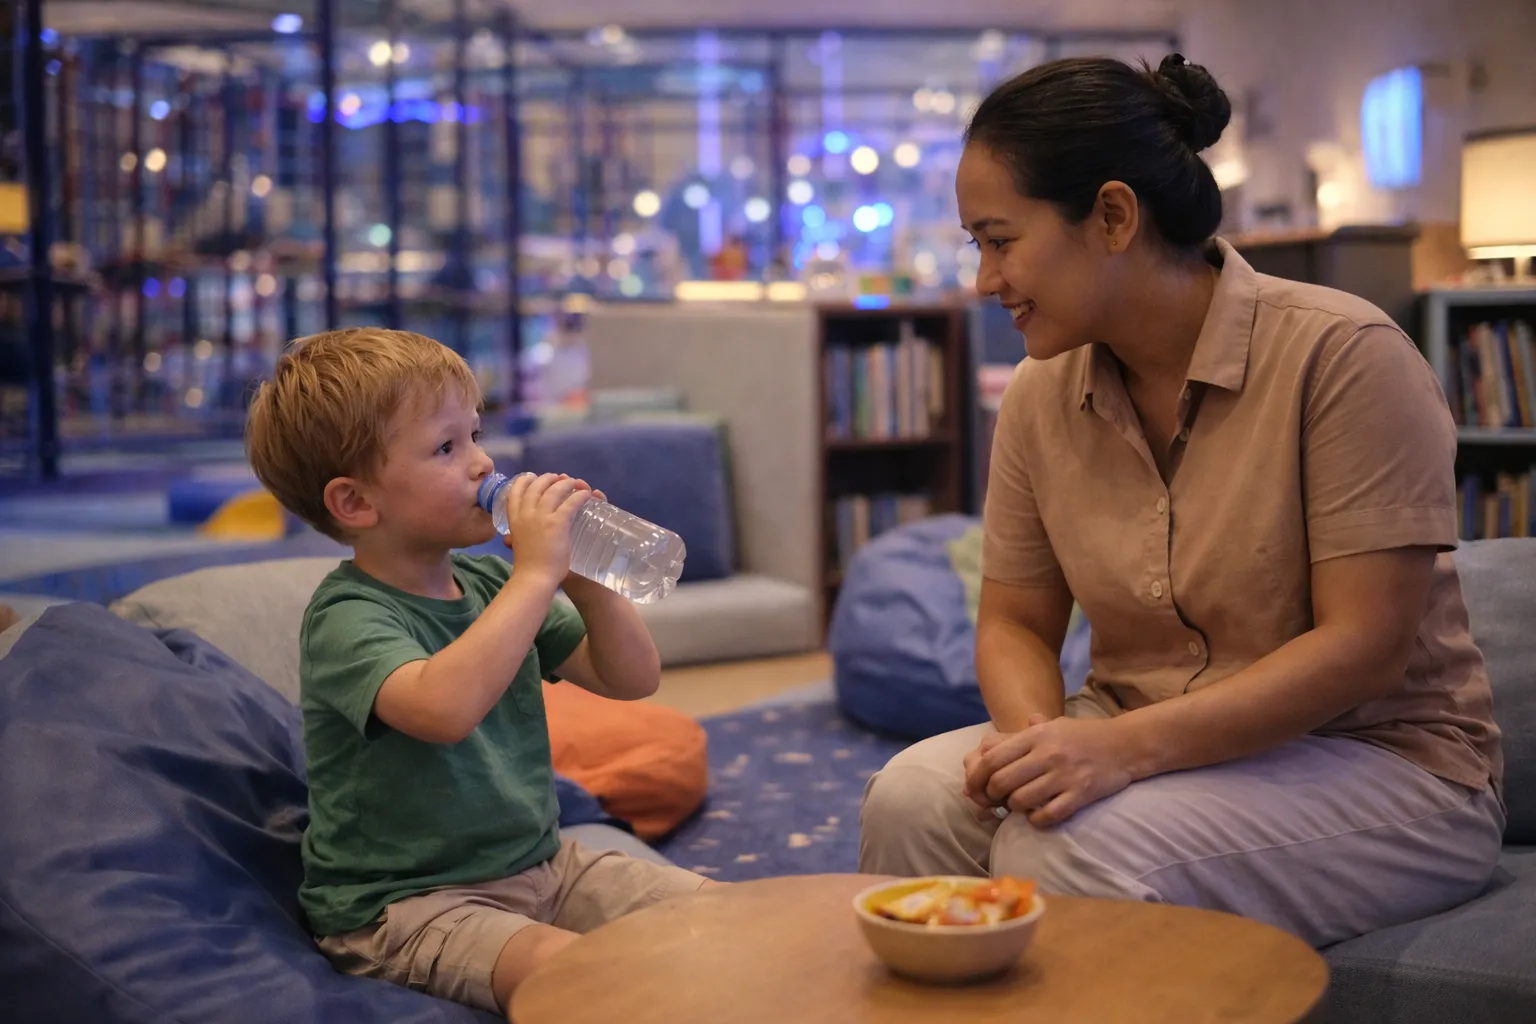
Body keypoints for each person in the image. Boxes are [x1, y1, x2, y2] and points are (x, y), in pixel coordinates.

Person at [858, 54, 1504, 947]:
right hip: (1133, 728)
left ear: (1113, 216)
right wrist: (1046, 749)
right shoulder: (1042, 394)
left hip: (1380, 763)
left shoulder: (1343, 356)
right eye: (979, 247)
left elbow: (1364, 648)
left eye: (1001, 240)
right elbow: (1011, 623)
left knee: (1067, 852)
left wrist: (1115, 754)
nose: (984, 280)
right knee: (909, 800)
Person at [245, 328, 708, 1019]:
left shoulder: (493, 583)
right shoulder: (347, 617)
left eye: (475, 435)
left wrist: (587, 577)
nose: (482, 465)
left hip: (542, 867)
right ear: (356, 504)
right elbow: (443, 708)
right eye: (446, 447)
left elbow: (632, 679)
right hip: (408, 905)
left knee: (723, 918)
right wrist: (537, 574)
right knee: (590, 977)